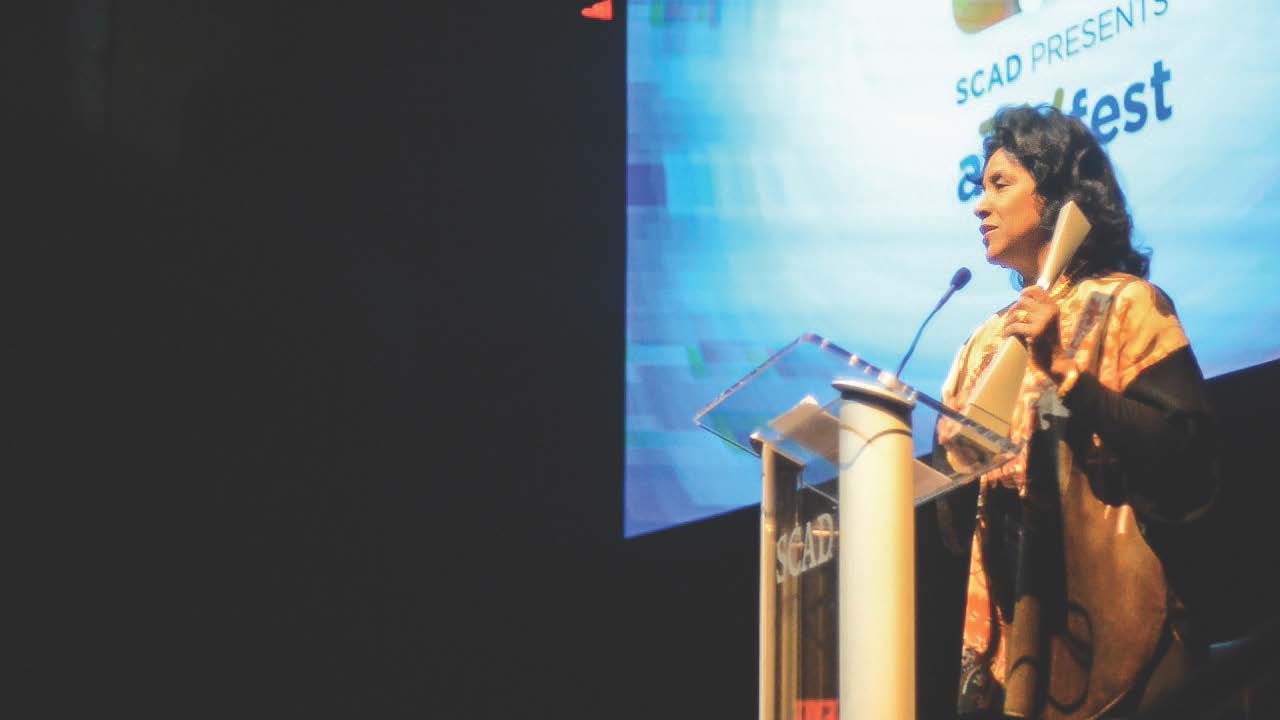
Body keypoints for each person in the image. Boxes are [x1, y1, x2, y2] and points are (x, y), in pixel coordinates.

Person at [937, 105, 1219, 719]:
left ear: (1058, 194)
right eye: (980, 188)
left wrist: (1065, 372)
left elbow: (1185, 455)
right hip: (1014, 650)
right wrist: (945, 459)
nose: (980, 205)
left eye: (1000, 184)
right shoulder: (983, 344)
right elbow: (957, 531)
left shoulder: (1128, 304)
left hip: (1127, 646)